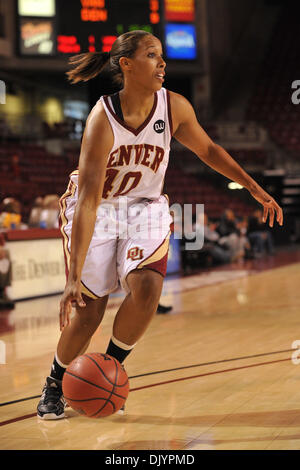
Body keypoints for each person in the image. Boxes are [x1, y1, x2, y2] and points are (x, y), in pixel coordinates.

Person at [37, 30, 283, 420]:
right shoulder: (103, 118)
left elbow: (209, 149)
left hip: (146, 207)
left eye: (163, 56)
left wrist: (253, 186)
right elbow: (87, 200)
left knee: (149, 285)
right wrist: (73, 277)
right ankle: (54, 382)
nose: (163, 63)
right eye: (152, 56)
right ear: (127, 65)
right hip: (99, 208)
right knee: (89, 312)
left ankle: (110, 370)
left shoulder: (174, 107)